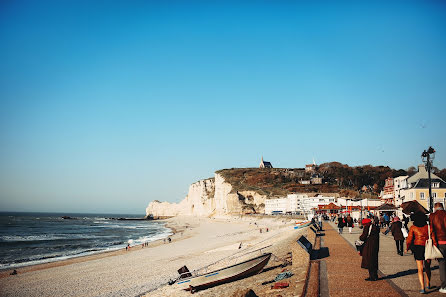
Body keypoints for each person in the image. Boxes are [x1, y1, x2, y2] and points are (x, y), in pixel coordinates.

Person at [406, 213, 431, 294]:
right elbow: (432, 236)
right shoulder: (428, 227)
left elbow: (409, 239)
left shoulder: (413, 227)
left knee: (420, 269)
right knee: (427, 266)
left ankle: (422, 287)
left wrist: (407, 247)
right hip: (427, 246)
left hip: (418, 247)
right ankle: (428, 283)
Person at [430, 202, 446, 294]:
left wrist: (434, 244)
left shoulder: (433, 216)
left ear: (435, 208)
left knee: (442, 265)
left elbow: (432, 231)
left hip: (440, 243)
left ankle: (444, 286)